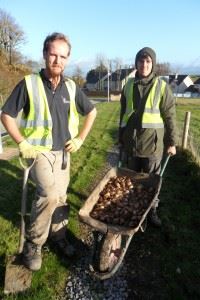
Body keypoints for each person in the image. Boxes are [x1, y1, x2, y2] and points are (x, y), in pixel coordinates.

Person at [1, 32, 97, 271]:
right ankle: (34, 243)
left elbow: (92, 112)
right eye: (53, 54)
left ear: (68, 59)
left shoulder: (72, 87)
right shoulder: (29, 84)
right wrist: (22, 143)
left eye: (63, 56)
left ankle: (59, 236)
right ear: (44, 54)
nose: (58, 60)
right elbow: (6, 115)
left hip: (64, 153)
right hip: (37, 153)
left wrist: (80, 139)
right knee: (49, 195)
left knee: (62, 198)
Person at [119, 47, 176, 227]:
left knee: (152, 181)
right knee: (131, 180)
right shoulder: (128, 86)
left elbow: (170, 116)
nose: (144, 65)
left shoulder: (161, 87)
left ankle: (152, 211)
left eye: (148, 61)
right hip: (131, 143)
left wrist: (172, 142)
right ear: (136, 63)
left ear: (153, 64)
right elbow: (123, 114)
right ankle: (133, 209)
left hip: (152, 145)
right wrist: (121, 138)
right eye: (141, 61)